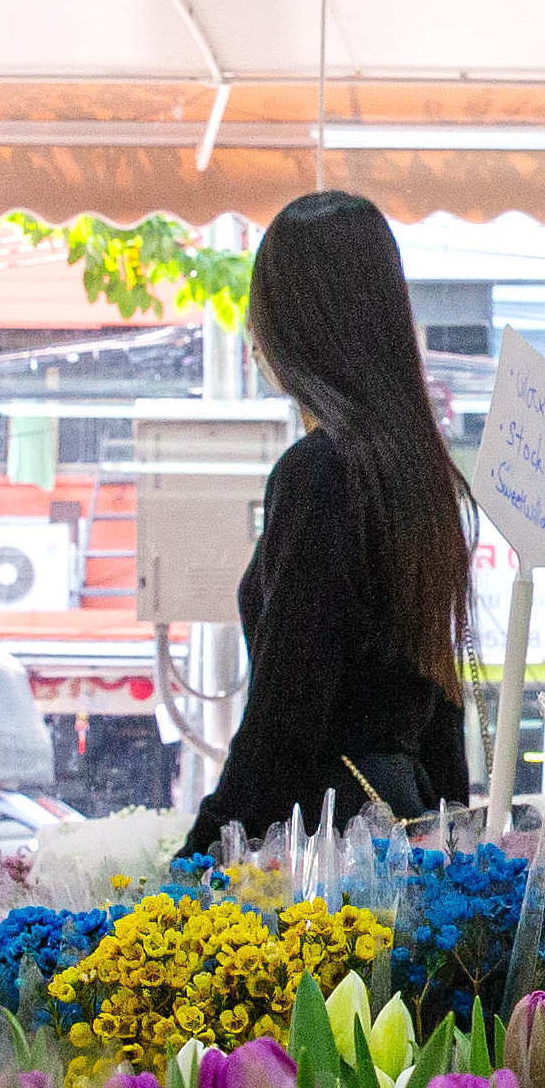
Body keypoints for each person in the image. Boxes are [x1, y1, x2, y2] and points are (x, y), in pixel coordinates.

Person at [182, 192, 477, 854]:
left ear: (289, 325)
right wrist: (454, 842)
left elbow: (285, 722)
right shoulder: (416, 470)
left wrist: (183, 871)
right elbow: (440, 702)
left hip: (328, 851)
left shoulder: (321, 474)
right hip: (396, 829)